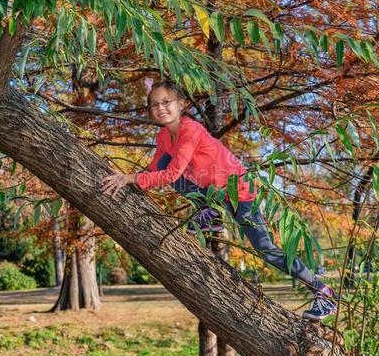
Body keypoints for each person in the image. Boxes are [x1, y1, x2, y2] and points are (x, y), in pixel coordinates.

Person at [100, 80, 337, 320]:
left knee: (267, 250)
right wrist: (129, 180)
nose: (160, 108)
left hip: (240, 193)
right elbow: (155, 170)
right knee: (163, 165)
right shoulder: (163, 136)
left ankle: (324, 292)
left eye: (166, 102)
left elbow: (172, 175)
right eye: (154, 105)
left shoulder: (190, 129)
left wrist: (130, 178)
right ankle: (210, 214)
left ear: (181, 104)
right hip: (214, 194)